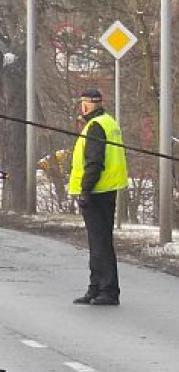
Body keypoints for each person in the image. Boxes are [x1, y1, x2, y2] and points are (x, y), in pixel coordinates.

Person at [68, 88, 128, 306]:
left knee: (100, 243)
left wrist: (85, 190)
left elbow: (94, 163)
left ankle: (108, 290)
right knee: (98, 242)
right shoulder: (108, 122)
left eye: (82, 104)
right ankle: (95, 288)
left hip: (97, 192)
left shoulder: (95, 127)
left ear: (85, 105)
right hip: (107, 189)